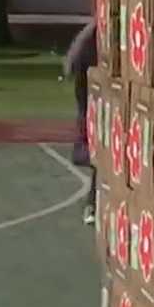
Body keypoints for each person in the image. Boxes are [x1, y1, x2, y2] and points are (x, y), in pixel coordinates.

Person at [64, 22, 96, 223]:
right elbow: (73, 62)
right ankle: (91, 204)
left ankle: (92, 204)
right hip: (89, 85)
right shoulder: (93, 32)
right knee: (97, 143)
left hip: (94, 83)